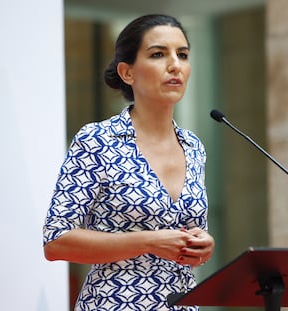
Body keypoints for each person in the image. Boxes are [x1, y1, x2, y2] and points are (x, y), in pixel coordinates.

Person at [43, 14, 215, 311]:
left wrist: (202, 246)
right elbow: (56, 241)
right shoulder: (97, 140)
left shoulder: (193, 146)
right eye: (158, 54)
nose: (175, 64)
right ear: (127, 73)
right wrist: (147, 242)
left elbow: (185, 238)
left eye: (183, 55)